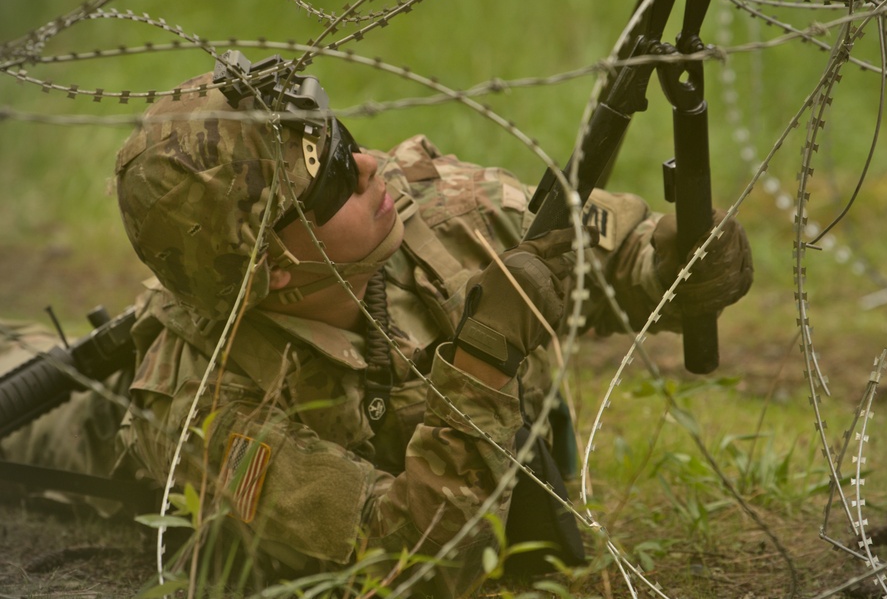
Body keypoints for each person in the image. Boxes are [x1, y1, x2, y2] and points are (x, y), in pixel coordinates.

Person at [3, 51, 753, 596]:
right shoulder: (208, 407)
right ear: (274, 269)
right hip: (102, 430)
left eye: (336, 139)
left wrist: (680, 261)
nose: (366, 167)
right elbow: (411, 562)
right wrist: (486, 360)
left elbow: (602, 256)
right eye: (331, 180)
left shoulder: (431, 208)